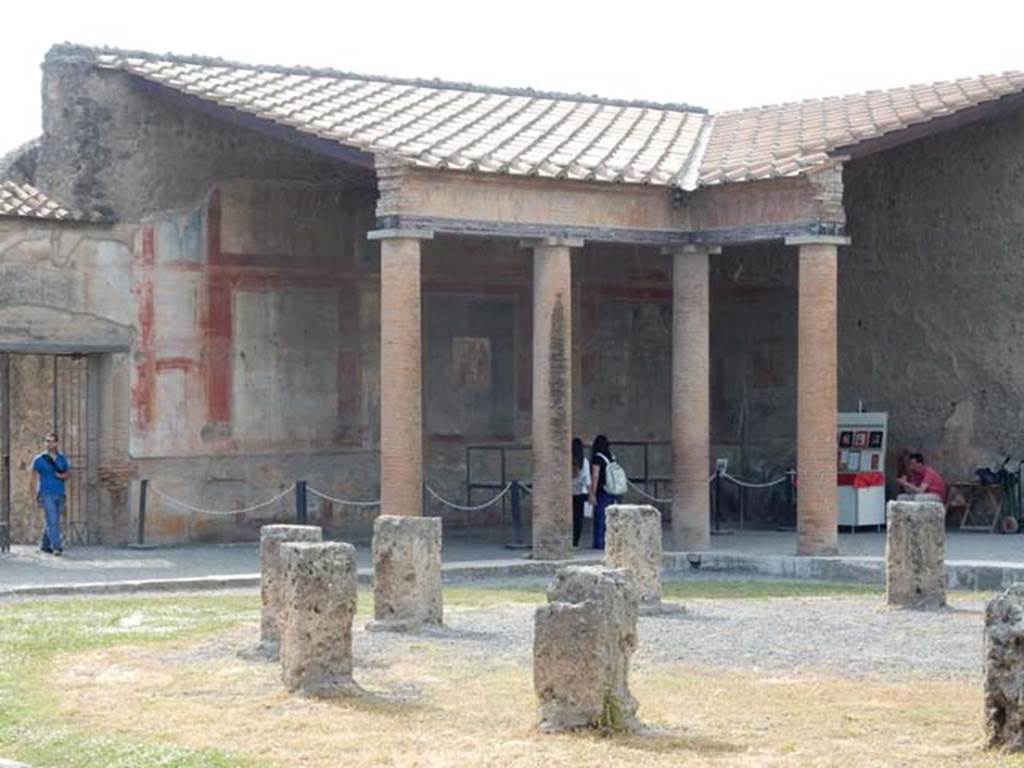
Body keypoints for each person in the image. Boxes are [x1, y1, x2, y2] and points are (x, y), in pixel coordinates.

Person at [30, 431, 70, 556]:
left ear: (56, 443)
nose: (49, 444)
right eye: (47, 441)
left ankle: (45, 545)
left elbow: (68, 474)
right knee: (53, 519)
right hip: (45, 493)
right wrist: (33, 496)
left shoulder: (62, 458)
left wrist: (62, 475)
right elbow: (33, 479)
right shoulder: (39, 459)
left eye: (51, 441)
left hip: (59, 492)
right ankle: (57, 547)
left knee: (53, 520)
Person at [588, 434, 621, 550]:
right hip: (612, 490)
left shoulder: (597, 458)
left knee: (600, 518)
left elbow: (595, 476)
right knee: (610, 518)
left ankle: (599, 542)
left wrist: (592, 493)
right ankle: (610, 542)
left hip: (602, 491)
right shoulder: (611, 456)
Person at [571, 437, 590, 548]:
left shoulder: (565, 460)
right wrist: (591, 494)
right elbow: (588, 481)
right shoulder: (584, 462)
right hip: (579, 493)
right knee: (578, 518)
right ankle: (575, 542)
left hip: (567, 493)